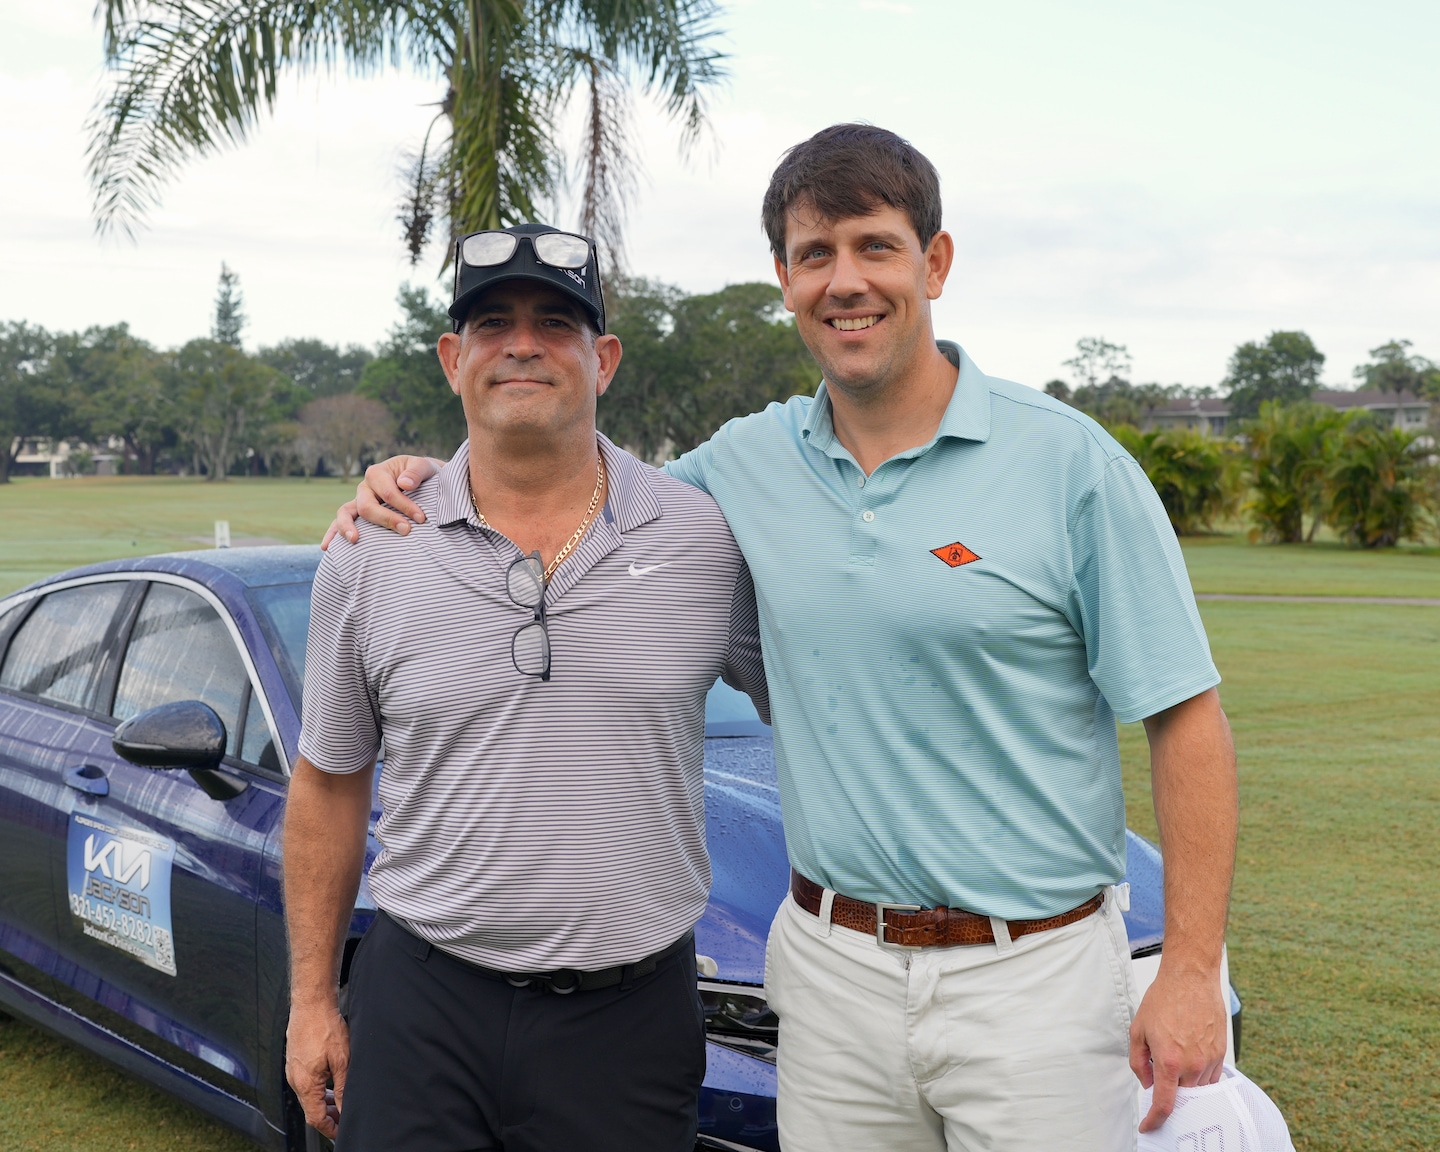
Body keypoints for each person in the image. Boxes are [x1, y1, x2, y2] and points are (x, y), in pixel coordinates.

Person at [330, 125, 1239, 1151]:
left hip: (1030, 971)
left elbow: (1186, 716)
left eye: (874, 247)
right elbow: (575, 495)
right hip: (833, 967)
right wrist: (416, 481)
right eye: (816, 256)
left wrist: (1193, 969)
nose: (845, 282)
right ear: (785, 280)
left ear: (933, 262)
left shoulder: (1068, 462)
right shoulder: (743, 470)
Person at [285, 222, 767, 1152]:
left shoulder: (701, 540)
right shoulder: (373, 550)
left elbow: (818, 703)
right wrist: (311, 999)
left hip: (625, 1021)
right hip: (422, 1003)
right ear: (452, 357)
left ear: (605, 359)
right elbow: (328, 783)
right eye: (493, 321)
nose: (522, 344)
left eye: (556, 322)